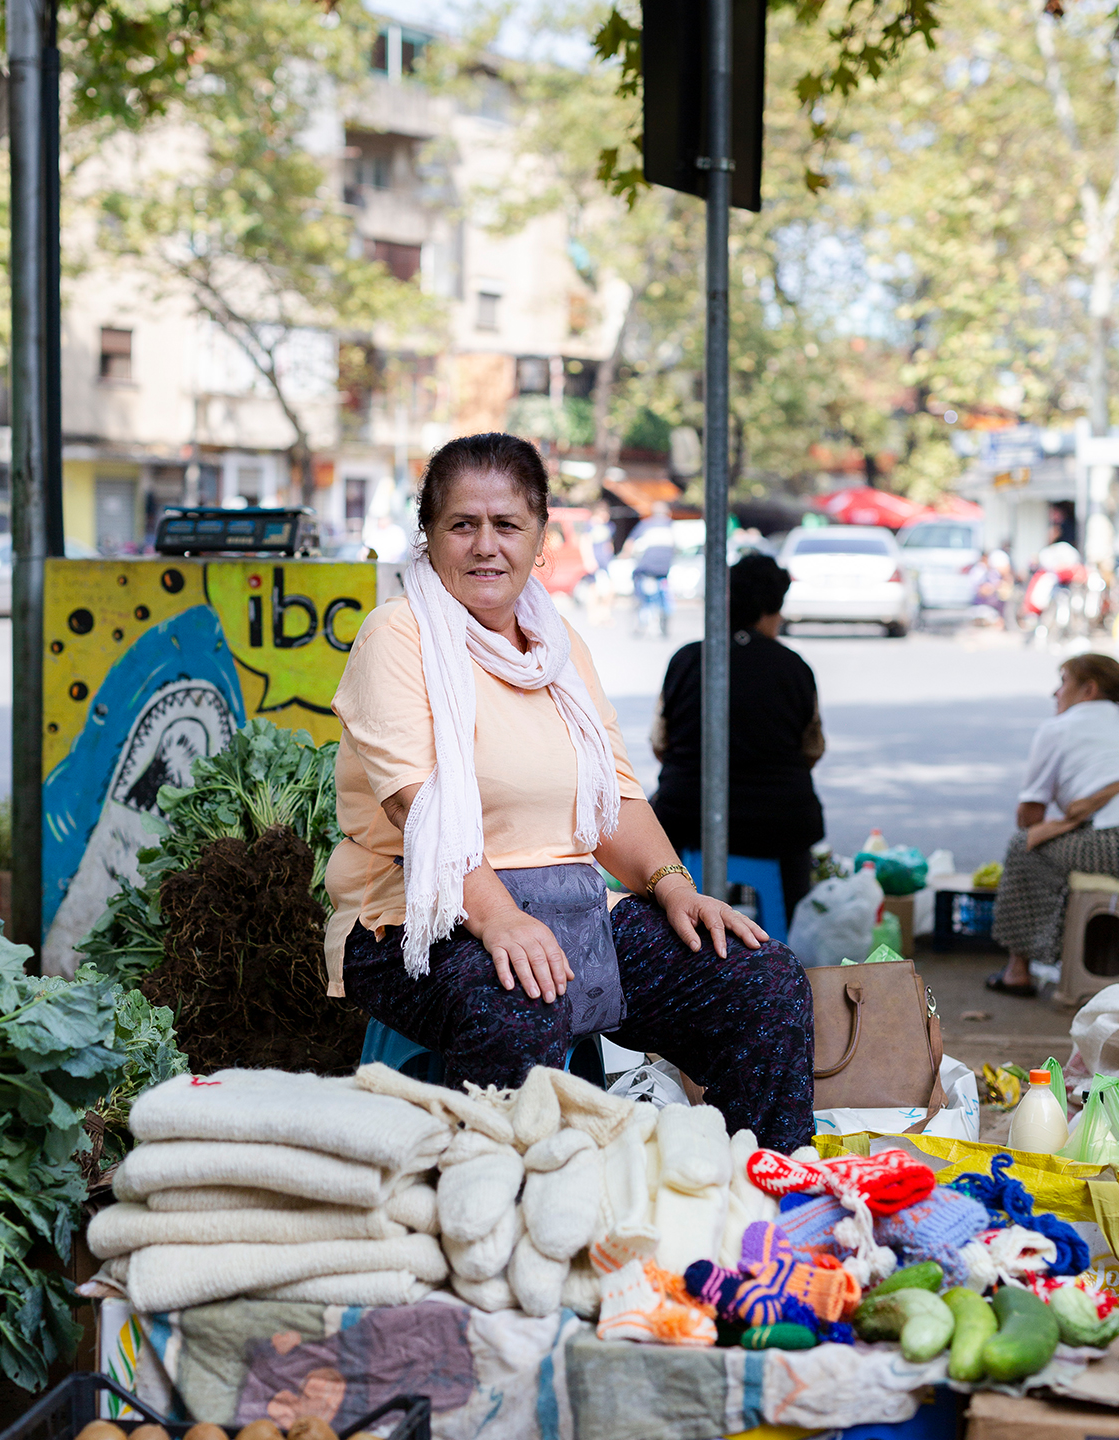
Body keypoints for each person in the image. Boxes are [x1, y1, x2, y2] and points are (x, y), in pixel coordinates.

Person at [324, 433, 813, 1151]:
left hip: (571, 910)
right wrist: (498, 919)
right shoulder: (397, 634)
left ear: (540, 538)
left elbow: (612, 795)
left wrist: (674, 884)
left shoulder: (557, 645)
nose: (485, 545)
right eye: (463, 525)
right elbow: (419, 809)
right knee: (521, 1003)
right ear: (429, 537)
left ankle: (753, 1201)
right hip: (416, 917)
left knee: (759, 980)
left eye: (507, 525)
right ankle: (487, 1220)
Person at [649, 554, 826, 922]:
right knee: (796, 847)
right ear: (771, 610)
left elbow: (660, 745)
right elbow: (813, 749)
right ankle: (786, 934)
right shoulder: (794, 667)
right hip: (777, 821)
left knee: (653, 826)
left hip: (688, 814)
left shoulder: (686, 659)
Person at [989, 653, 1119, 996]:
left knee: (1025, 844)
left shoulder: (1059, 727)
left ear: (1088, 689)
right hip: (1105, 839)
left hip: (1110, 844)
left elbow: (1030, 814)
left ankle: (1018, 970)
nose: (1055, 692)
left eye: (1063, 681)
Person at [626, 501, 675, 637]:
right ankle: (664, 622)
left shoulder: (646, 524)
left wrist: (627, 556)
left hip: (646, 570)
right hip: (664, 571)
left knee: (645, 599)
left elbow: (629, 545)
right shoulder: (670, 525)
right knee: (664, 598)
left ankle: (642, 625)